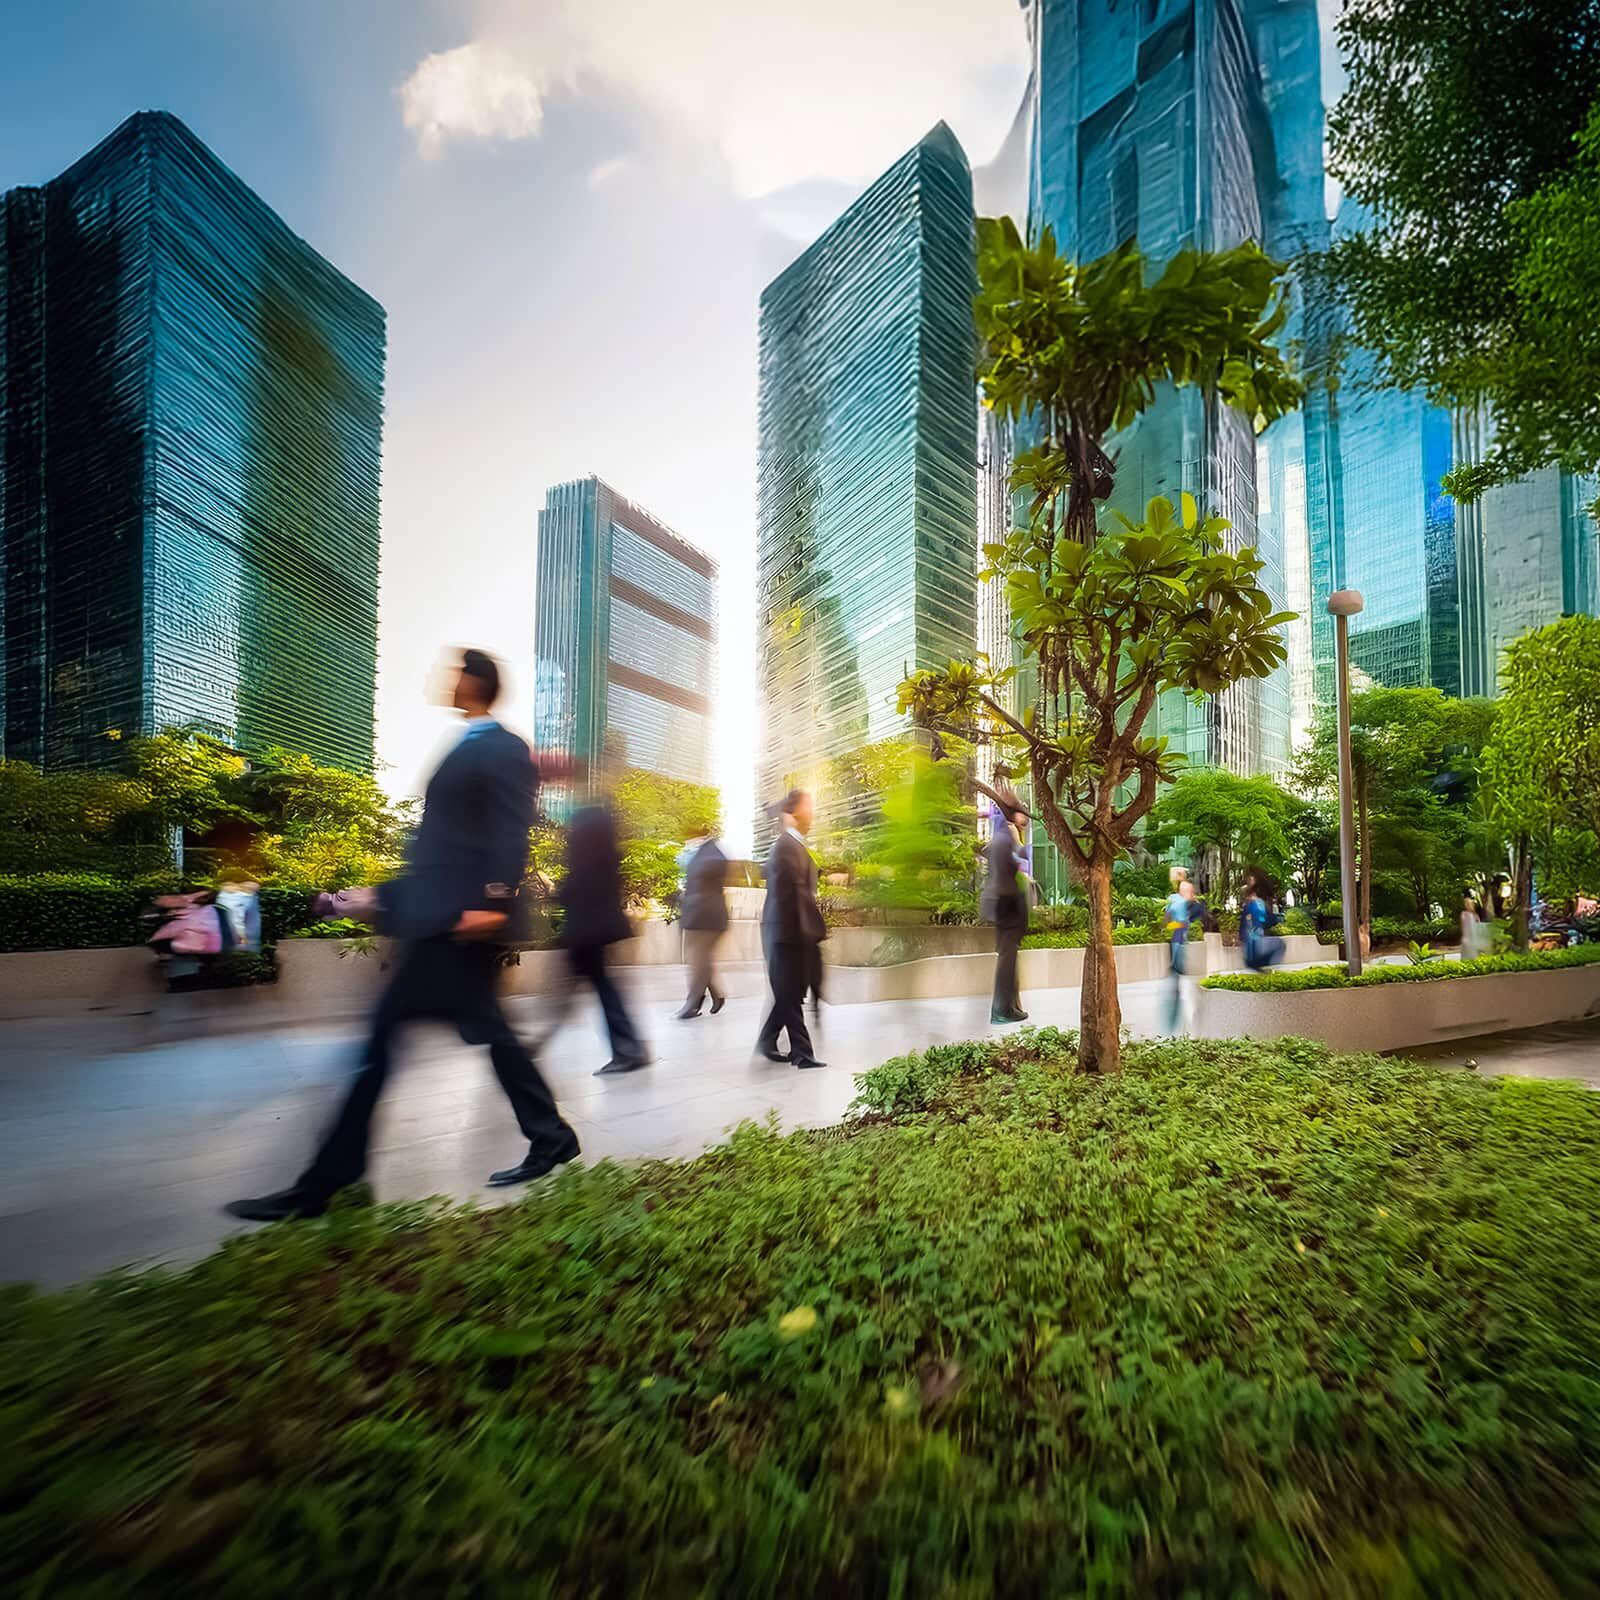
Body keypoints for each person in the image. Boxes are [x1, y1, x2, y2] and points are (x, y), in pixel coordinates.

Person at [226, 649, 579, 1221]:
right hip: (439, 920)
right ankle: (550, 1135)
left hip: (458, 925)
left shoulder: (502, 747)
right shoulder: (467, 743)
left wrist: (490, 901)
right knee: (484, 1035)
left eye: (456, 672)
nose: (446, 679)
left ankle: (328, 1182)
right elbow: (443, 847)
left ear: (477, 683)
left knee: (381, 1047)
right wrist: (384, 898)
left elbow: (510, 830)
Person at [554, 801, 651, 1073]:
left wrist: (558, 892)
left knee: (599, 990)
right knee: (603, 988)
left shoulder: (587, 856)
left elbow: (576, 888)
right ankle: (630, 1048)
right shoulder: (606, 852)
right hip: (596, 930)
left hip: (587, 931)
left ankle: (628, 1050)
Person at [756, 788, 827, 1069]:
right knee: (789, 994)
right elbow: (793, 897)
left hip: (790, 933)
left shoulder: (794, 846)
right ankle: (802, 1053)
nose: (812, 811)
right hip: (786, 934)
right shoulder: (785, 846)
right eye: (808, 805)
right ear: (792, 812)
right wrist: (806, 934)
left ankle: (767, 1040)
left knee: (789, 993)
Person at [981, 803, 1030, 1024]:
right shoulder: (1004, 838)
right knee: (1007, 958)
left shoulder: (1000, 837)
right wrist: (1018, 843)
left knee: (1009, 957)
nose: (1025, 819)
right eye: (1022, 814)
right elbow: (1021, 860)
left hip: (1005, 904)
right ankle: (1002, 1009)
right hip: (1006, 904)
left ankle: (1009, 1006)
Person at [677, 830, 729, 1019]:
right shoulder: (699, 853)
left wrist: (694, 859)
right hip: (697, 916)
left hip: (708, 918)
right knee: (700, 959)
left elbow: (719, 866)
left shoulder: (712, 852)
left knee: (698, 959)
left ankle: (692, 1004)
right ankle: (717, 994)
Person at [1164, 875, 1197, 1032]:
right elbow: (1168, 924)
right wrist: (1181, 925)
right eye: (1189, 891)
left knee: (1177, 975)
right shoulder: (1177, 904)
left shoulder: (1182, 903)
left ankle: (1175, 1021)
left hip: (1179, 941)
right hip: (1177, 941)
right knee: (1177, 974)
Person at [1241, 869, 1286, 971]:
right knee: (1280, 944)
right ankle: (1258, 965)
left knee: (1279, 944)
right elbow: (1258, 922)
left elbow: (1262, 921)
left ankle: (1259, 967)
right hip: (1254, 944)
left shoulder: (1257, 904)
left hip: (1254, 942)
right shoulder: (1255, 904)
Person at [1461, 891, 1493, 959]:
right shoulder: (1466, 914)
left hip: (1472, 937)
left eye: (1468, 904)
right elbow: (1466, 927)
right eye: (1466, 904)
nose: (1467, 905)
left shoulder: (1474, 915)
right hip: (1469, 937)